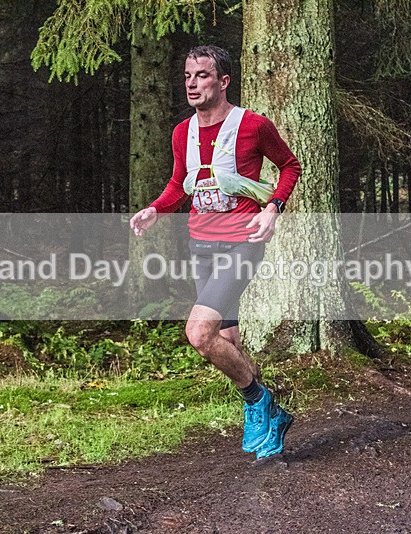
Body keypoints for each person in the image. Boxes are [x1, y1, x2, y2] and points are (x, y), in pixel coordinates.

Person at [129, 45, 301, 459]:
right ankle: (266, 419)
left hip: (241, 243)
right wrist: (156, 209)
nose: (192, 83)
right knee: (227, 339)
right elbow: (178, 184)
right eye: (188, 75)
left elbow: (291, 165)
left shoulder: (253, 126)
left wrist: (273, 209)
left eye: (202, 75)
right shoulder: (181, 132)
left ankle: (262, 403)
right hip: (200, 246)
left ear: (223, 81)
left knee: (199, 334)